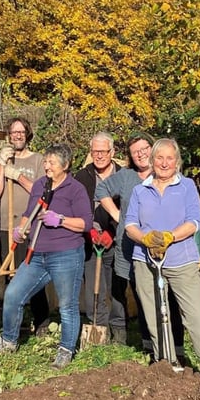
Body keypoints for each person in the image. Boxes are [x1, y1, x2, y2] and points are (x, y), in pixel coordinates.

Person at [0, 143, 92, 370]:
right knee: (13, 295)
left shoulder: (75, 189)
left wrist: (61, 220)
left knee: (67, 306)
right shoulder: (40, 185)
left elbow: (85, 223)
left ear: (65, 166)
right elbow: (29, 214)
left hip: (66, 254)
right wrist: (21, 229)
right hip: (36, 254)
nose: (46, 166)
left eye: (51, 163)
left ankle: (66, 349)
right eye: (45, 161)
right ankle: (8, 341)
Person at [125, 138, 200, 372]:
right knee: (154, 312)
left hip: (181, 259)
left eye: (170, 158)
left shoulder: (186, 186)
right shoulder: (140, 190)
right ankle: (163, 361)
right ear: (152, 160)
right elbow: (130, 224)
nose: (164, 163)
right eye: (159, 158)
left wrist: (170, 237)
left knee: (194, 313)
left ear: (177, 161)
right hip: (145, 260)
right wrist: (145, 239)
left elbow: (195, 221)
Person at [96, 132, 187, 358]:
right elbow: (101, 190)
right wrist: (118, 215)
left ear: (153, 149)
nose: (141, 154)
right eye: (135, 152)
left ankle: (176, 348)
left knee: (169, 299)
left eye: (145, 148)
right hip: (134, 249)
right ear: (130, 156)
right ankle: (151, 347)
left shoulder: (168, 176)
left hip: (166, 250)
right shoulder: (126, 177)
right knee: (144, 298)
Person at [0, 117, 49, 335]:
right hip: (7, 226)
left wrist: (18, 176)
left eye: (22, 132)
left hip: (31, 226)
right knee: (10, 277)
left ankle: (41, 322)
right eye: (14, 132)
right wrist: (3, 165)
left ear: (27, 135)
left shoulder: (38, 160)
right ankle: (15, 323)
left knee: (32, 272)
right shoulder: (2, 158)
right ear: (9, 135)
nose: (18, 135)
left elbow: (42, 191)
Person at [74, 132, 123, 342]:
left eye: (103, 151)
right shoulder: (82, 177)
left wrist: (112, 232)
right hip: (91, 240)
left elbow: (128, 208)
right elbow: (77, 208)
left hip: (118, 239)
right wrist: (91, 232)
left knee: (118, 286)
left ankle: (119, 330)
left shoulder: (124, 176)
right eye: (95, 151)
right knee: (94, 287)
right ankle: (98, 330)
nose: (99, 156)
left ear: (112, 152)